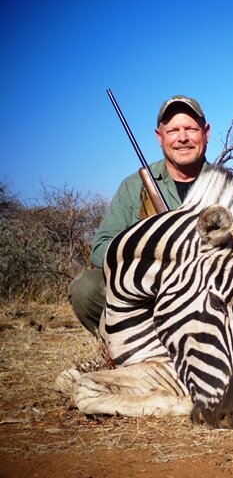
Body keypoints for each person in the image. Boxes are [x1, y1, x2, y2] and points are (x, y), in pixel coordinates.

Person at [68, 95, 211, 335]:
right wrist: (149, 258)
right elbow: (100, 248)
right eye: (174, 130)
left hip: (207, 298)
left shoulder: (231, 185)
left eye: (191, 129)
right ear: (159, 137)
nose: (183, 138)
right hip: (147, 295)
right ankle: (127, 352)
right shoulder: (133, 186)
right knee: (85, 288)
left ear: (205, 133)